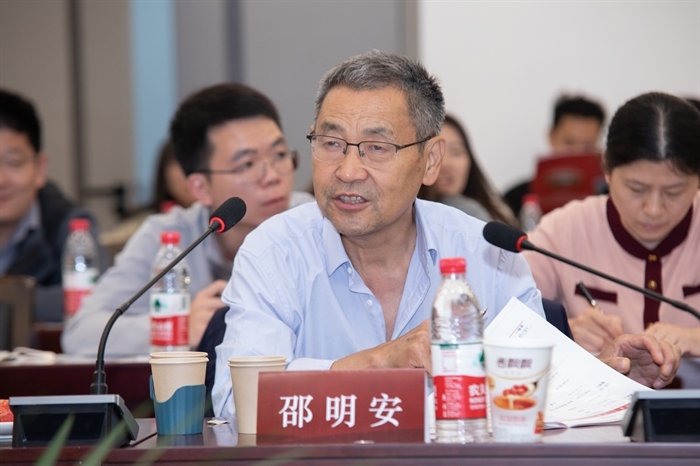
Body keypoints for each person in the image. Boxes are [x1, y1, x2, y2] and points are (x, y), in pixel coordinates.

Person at [211, 51, 679, 418]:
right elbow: (236, 400)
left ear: (431, 160)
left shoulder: (488, 253)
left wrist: (602, 375)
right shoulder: (274, 251)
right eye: (331, 143)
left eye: (377, 147)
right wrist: (380, 363)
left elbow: (533, 396)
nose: (348, 170)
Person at [61, 83, 314, 356]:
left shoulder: (315, 222)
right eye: (247, 164)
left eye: (279, 155)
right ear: (200, 188)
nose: (273, 176)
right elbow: (80, 332)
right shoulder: (168, 238)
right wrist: (179, 325)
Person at [523, 92, 700, 358]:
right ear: (606, 167)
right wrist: (565, 330)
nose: (653, 209)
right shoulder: (563, 230)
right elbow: (503, 318)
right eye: (637, 188)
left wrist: (694, 338)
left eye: (674, 191)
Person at [0, 88, 106, 322]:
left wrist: (13, 300)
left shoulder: (71, 228)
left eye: (13, 162)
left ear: (40, 169)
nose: (1, 180)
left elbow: (94, 301)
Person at [504, 95, 607, 218]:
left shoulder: (610, 199)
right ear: (551, 136)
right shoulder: (514, 200)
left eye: (587, 146)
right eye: (569, 143)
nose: (577, 153)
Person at [417, 115, 517, 225]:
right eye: (433, 154)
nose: (445, 164)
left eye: (456, 152)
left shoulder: (498, 212)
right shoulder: (410, 221)